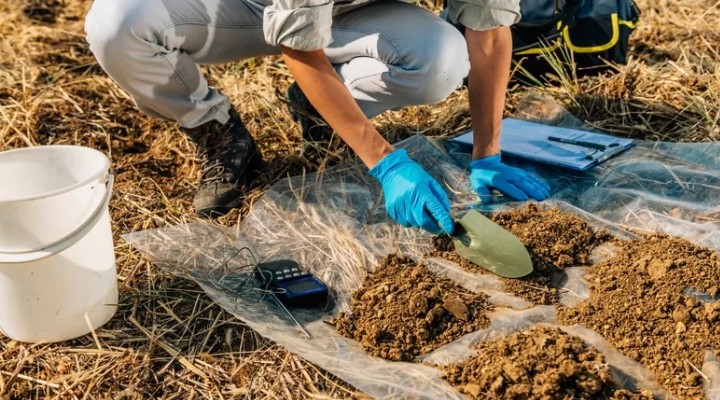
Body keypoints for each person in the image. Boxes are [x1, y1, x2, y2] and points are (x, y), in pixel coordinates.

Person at [84, 0, 550, 234]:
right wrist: (384, 161)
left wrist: (488, 152)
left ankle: (321, 107)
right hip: (231, 8)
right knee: (119, 24)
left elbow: (487, 33)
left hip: (352, 10)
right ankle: (215, 129)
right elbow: (299, 44)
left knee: (441, 61)